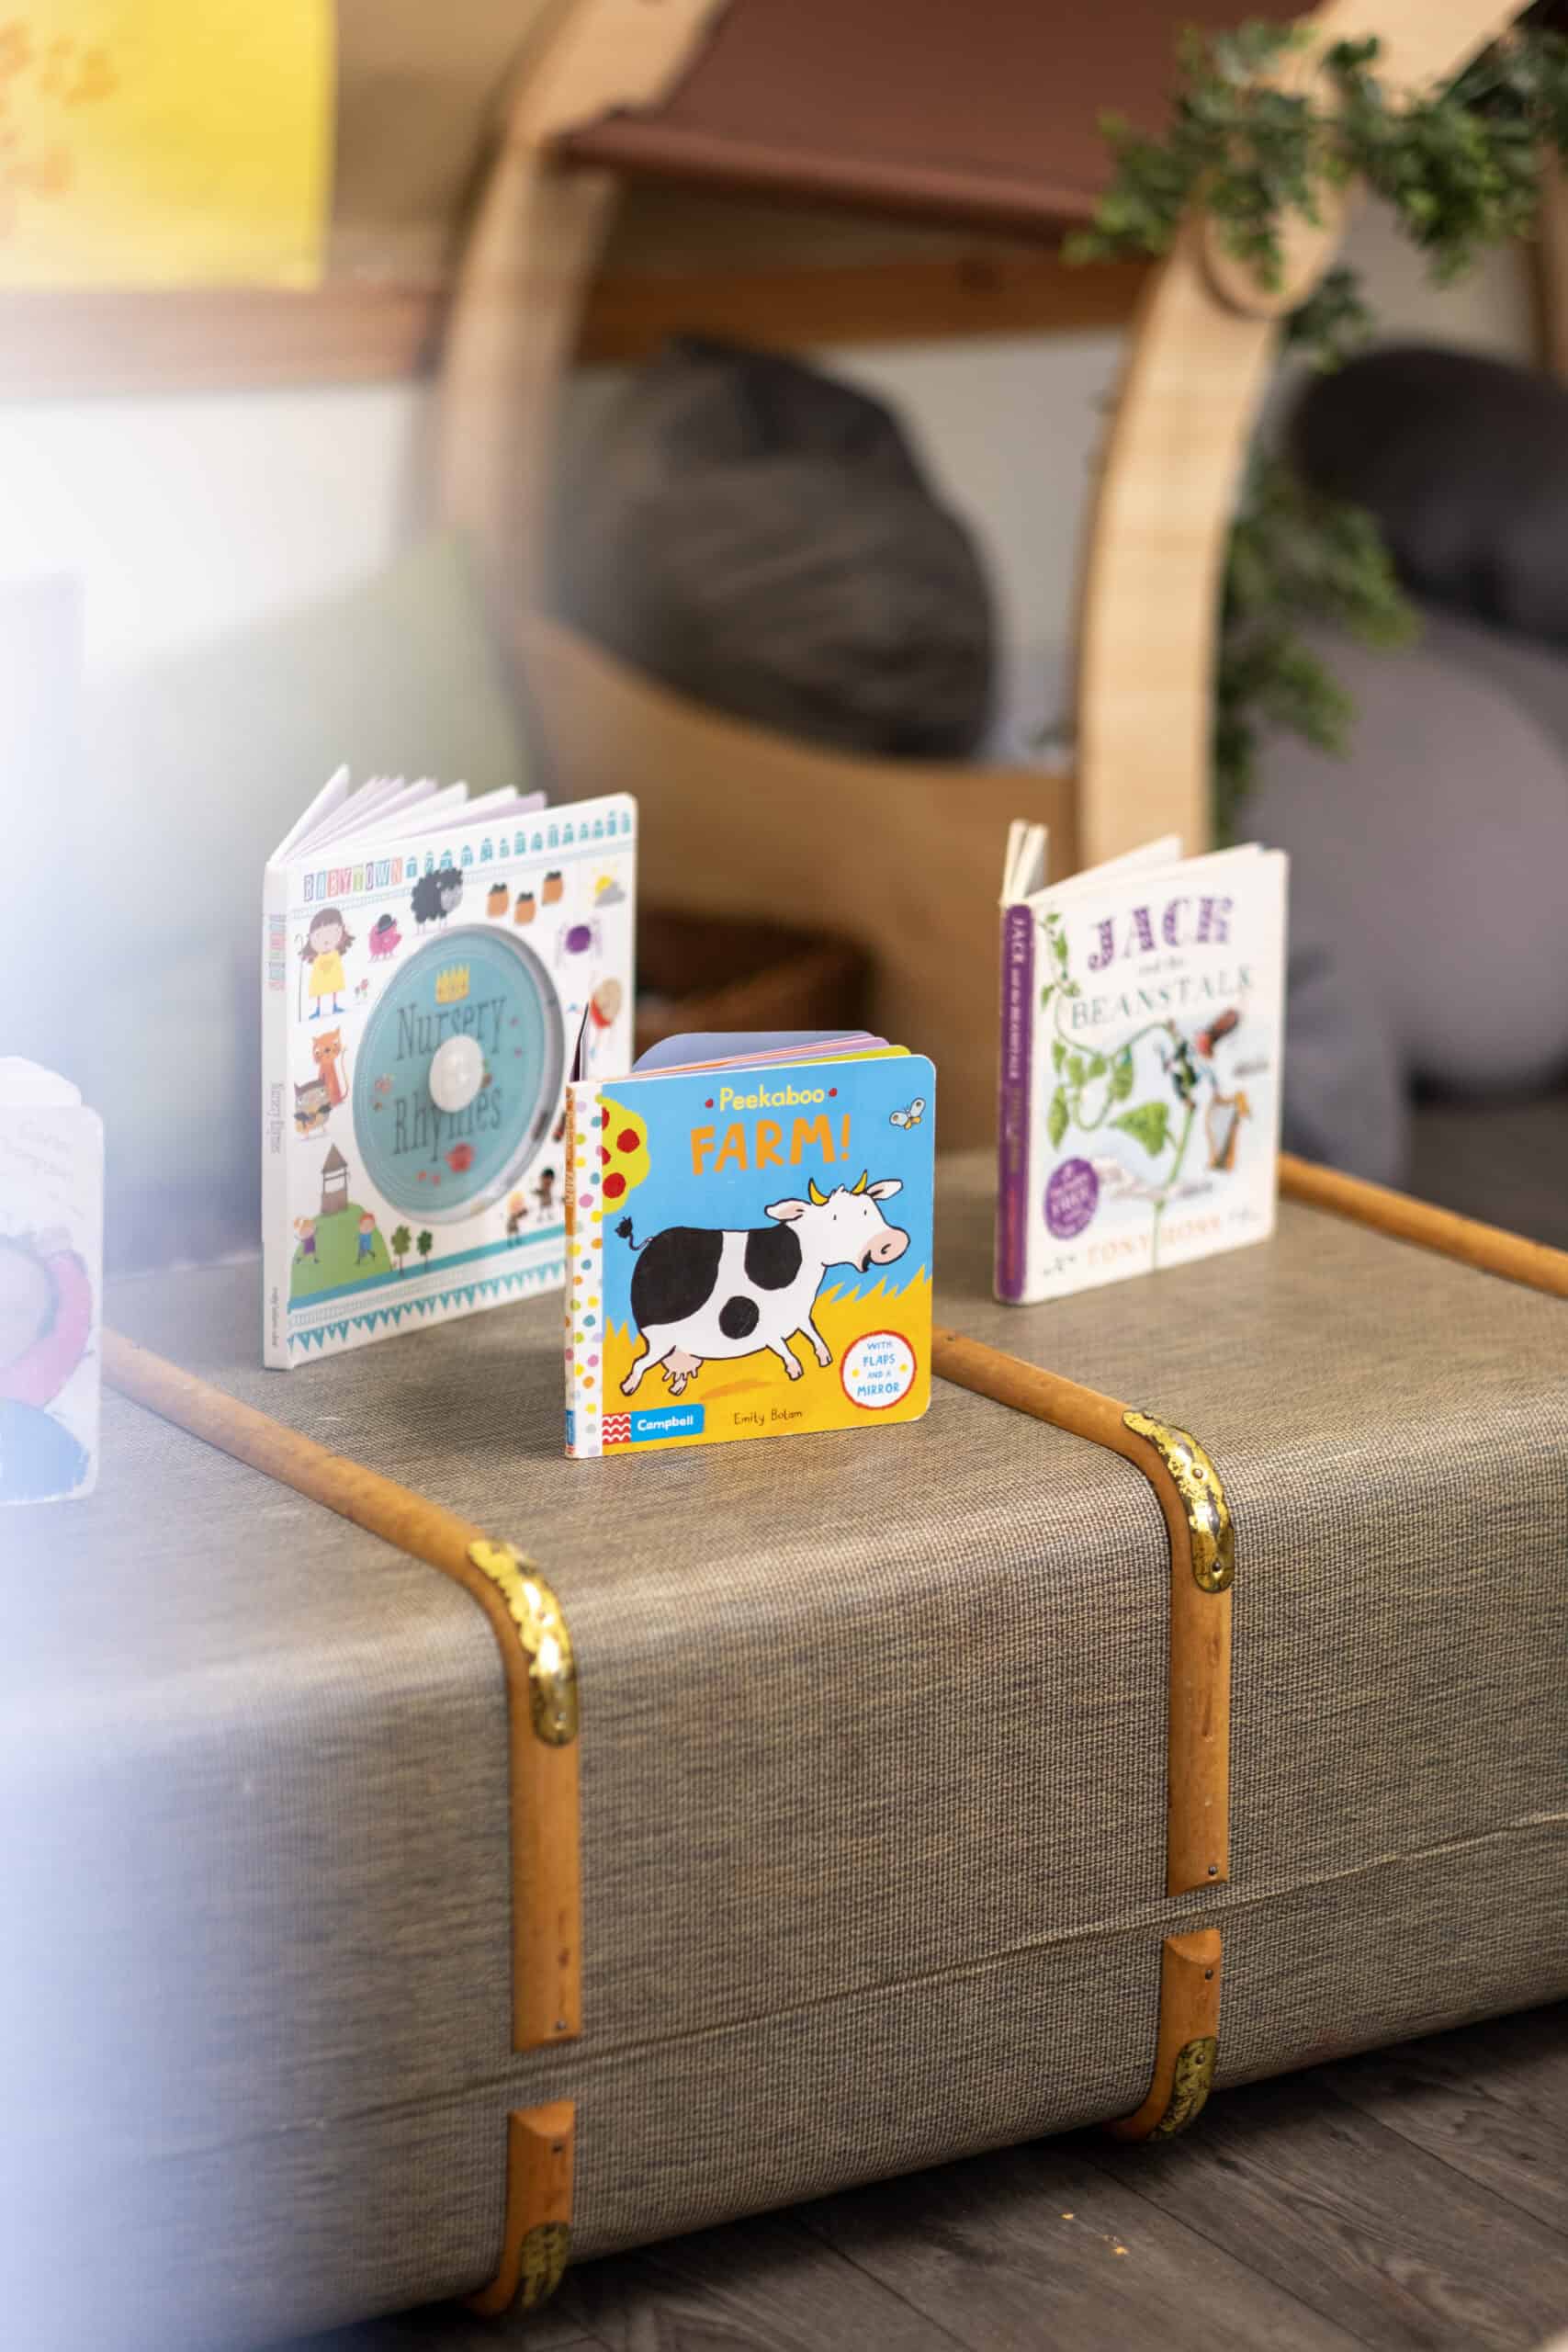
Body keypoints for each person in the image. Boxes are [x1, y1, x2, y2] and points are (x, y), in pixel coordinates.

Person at [299, 906, 355, 1019]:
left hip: (333, 976)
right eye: (318, 935)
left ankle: (334, 1006)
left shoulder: (335, 952)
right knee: (319, 992)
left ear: (340, 930)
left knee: (334, 989)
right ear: (311, 938)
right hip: (320, 978)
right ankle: (318, 1009)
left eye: (332, 932)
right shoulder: (318, 956)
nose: (326, 940)